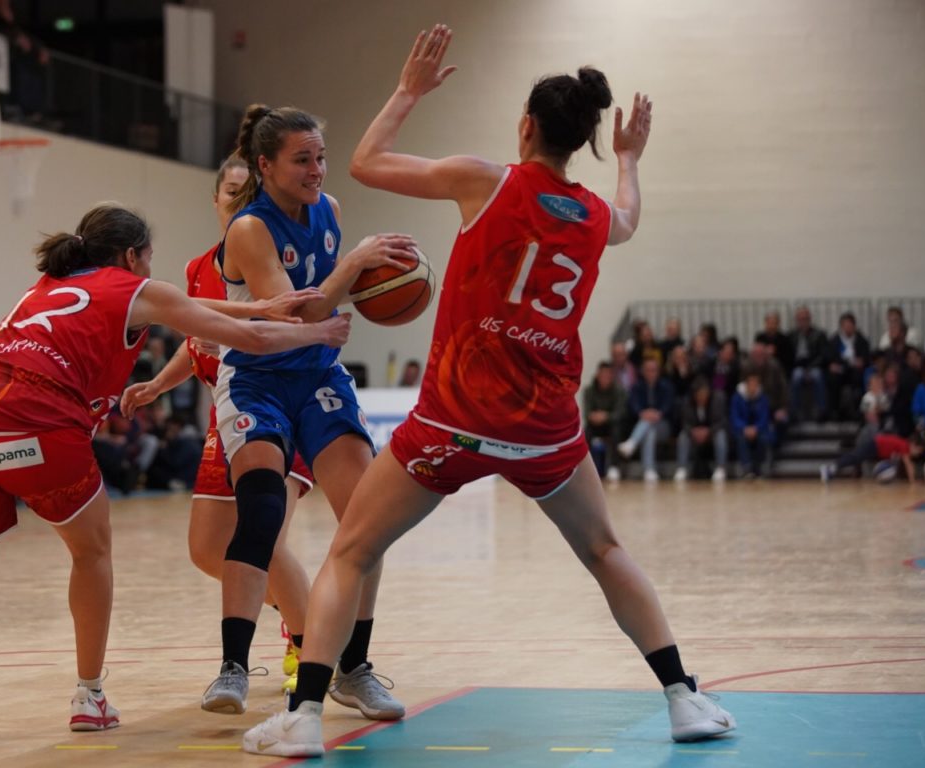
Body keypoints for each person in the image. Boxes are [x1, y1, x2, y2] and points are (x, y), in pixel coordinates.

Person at [242, 26, 733, 757]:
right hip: (545, 428)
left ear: (526, 127)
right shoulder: (596, 216)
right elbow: (629, 217)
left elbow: (366, 163)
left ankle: (305, 717)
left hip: (453, 421)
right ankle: (683, 696)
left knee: (351, 553)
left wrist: (409, 90)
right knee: (604, 550)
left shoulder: (486, 180)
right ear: (583, 142)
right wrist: (628, 161)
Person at [0, 202, 349, 736]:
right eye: (148, 257)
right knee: (92, 552)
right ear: (131, 256)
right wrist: (319, 334)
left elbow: (200, 307)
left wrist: (270, 302)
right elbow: (246, 337)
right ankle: (89, 695)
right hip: (40, 425)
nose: (151, 267)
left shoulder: (45, 286)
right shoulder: (134, 288)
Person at [197, 97, 417, 721]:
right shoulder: (249, 228)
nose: (317, 170)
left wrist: (369, 276)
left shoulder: (331, 210)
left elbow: (325, 314)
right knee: (262, 511)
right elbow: (293, 315)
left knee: (368, 522)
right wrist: (355, 264)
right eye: (302, 160)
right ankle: (233, 669)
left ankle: (355, 669)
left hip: (317, 375)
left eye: (320, 157)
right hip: (258, 377)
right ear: (265, 165)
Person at [120, 156, 317, 694]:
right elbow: (194, 340)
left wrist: (232, 335)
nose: (236, 199)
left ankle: (313, 644)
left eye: (244, 191)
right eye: (229, 191)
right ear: (215, 199)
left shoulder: (269, 249)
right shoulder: (197, 267)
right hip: (224, 413)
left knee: (265, 538)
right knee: (208, 548)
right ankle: (303, 609)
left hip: (279, 404)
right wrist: (159, 384)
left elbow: (287, 321)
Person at [617, 358, 675, 482]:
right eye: (648, 370)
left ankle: (632, 442)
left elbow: (669, 406)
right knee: (649, 431)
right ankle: (649, 470)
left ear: (658, 371)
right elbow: (633, 405)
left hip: (663, 425)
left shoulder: (666, 386)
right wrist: (642, 412)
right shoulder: (637, 386)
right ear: (643, 371)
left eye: (653, 370)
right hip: (645, 425)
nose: (651, 373)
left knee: (648, 424)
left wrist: (658, 413)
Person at [674, 378, 728, 482]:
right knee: (682, 436)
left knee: (721, 435)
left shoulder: (717, 400)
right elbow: (684, 423)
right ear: (694, 395)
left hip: (712, 432)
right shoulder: (687, 402)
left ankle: (720, 468)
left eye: (704, 394)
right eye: (699, 395)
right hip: (694, 434)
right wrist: (693, 431)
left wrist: (708, 431)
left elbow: (721, 422)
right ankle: (682, 468)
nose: (702, 397)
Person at [583, 361, 626, 482]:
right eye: (602, 374)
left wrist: (606, 416)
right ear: (597, 375)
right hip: (594, 425)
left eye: (608, 375)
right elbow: (587, 413)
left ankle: (614, 467)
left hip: (611, 424)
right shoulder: (589, 390)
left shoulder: (618, 391)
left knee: (616, 430)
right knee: (585, 433)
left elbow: (620, 413)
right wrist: (594, 417)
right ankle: (585, 468)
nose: (605, 378)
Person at [730, 371, 773, 478]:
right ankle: (746, 467)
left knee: (763, 438)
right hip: (742, 429)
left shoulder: (763, 398)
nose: (753, 386)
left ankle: (759, 467)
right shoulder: (737, 397)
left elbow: (764, 417)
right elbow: (734, 416)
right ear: (746, 384)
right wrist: (744, 428)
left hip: (758, 429)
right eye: (751, 383)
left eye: (755, 383)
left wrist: (755, 428)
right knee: (740, 438)